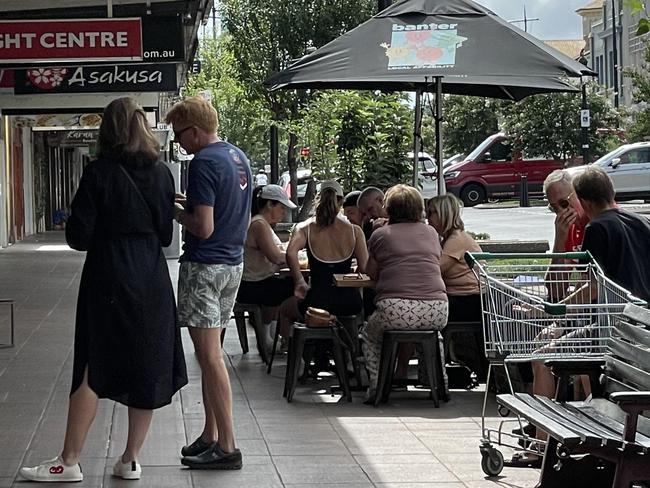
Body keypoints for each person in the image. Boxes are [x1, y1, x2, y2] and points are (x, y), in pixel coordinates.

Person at [20, 97, 188, 482]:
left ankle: (70, 460)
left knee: (93, 364)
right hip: (151, 276)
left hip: (108, 275)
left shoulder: (99, 173)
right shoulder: (163, 175)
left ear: (107, 130)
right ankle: (130, 459)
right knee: (146, 363)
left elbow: (79, 237)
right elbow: (166, 234)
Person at [165, 96, 252, 470]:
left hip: (204, 266)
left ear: (195, 131)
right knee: (210, 353)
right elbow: (227, 208)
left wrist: (170, 208)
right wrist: (191, 203)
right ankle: (210, 434)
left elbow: (203, 225)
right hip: (232, 265)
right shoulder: (236, 156)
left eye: (179, 135)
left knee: (210, 357)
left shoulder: (202, 163)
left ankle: (228, 445)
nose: (179, 144)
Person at [362, 184, 448, 402]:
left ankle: (377, 387)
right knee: (432, 335)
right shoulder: (431, 233)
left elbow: (370, 272)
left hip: (395, 309)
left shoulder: (381, 235)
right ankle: (439, 384)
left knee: (370, 336)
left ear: (388, 208)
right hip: (437, 309)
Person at [279, 180, 368, 338]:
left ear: (317, 199)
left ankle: (294, 354)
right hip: (350, 302)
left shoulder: (305, 228)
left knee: (285, 310)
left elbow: (290, 253)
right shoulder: (355, 231)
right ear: (340, 202)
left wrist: (300, 281)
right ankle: (347, 353)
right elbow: (365, 268)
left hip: (317, 302)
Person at [426, 194, 487, 381]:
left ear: (445, 214)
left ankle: (432, 372)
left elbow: (435, 270)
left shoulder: (456, 240)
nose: (428, 218)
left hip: (470, 300)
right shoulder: (449, 238)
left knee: (426, 317)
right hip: (463, 298)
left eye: (432, 213)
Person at [236, 184, 296, 350]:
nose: (283, 213)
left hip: (258, 281)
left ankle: (273, 333)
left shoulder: (262, 224)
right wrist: (295, 255)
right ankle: (271, 336)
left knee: (288, 285)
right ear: (270, 204)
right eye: (281, 207)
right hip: (252, 284)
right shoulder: (259, 225)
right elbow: (276, 257)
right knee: (297, 289)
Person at [543, 169, 589, 301]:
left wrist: (561, 309)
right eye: (554, 208)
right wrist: (560, 240)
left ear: (578, 195)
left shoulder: (597, 223)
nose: (561, 212)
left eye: (564, 203)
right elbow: (555, 290)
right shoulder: (569, 229)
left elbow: (596, 285)